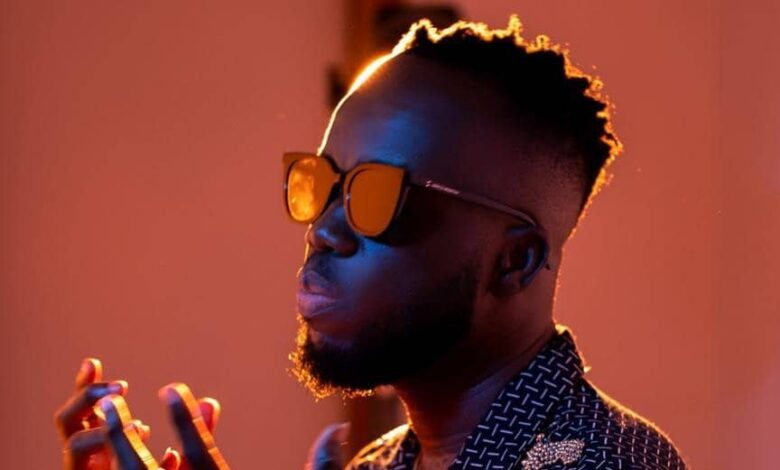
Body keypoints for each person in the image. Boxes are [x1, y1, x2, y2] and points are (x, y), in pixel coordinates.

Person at [54, 16, 688, 470]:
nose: (323, 230)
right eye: (321, 183)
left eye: (378, 195)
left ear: (514, 261)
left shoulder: (604, 459)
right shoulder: (381, 462)